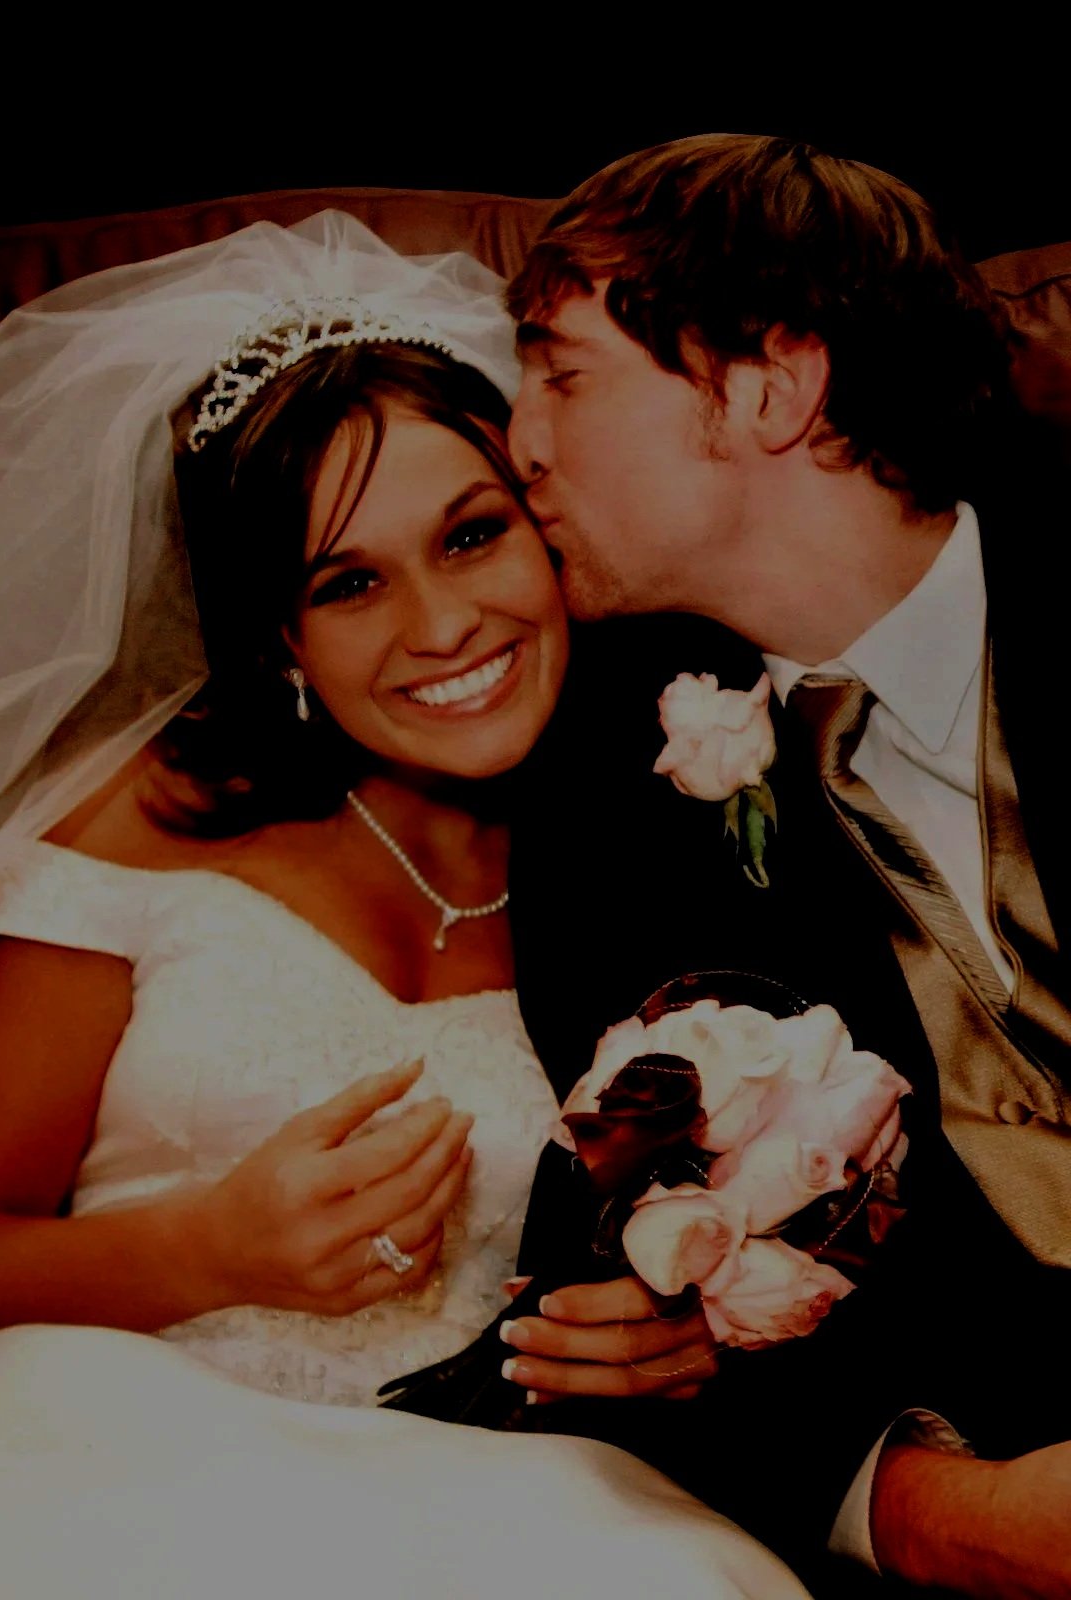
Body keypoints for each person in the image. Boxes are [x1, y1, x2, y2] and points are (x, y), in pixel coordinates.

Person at [0, 209, 808, 1600]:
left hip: (515, 1510)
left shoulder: (659, 841)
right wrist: (207, 1246)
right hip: (101, 1468)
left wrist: (680, 1331)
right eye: (349, 583)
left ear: (543, 525)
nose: (441, 627)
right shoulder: (142, 824)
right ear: (281, 635)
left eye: (469, 536)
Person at [493, 133, 1071, 1597]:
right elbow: (630, 1259)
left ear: (769, 386)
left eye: (560, 372)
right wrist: (944, 1510)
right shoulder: (594, 789)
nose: (523, 439)